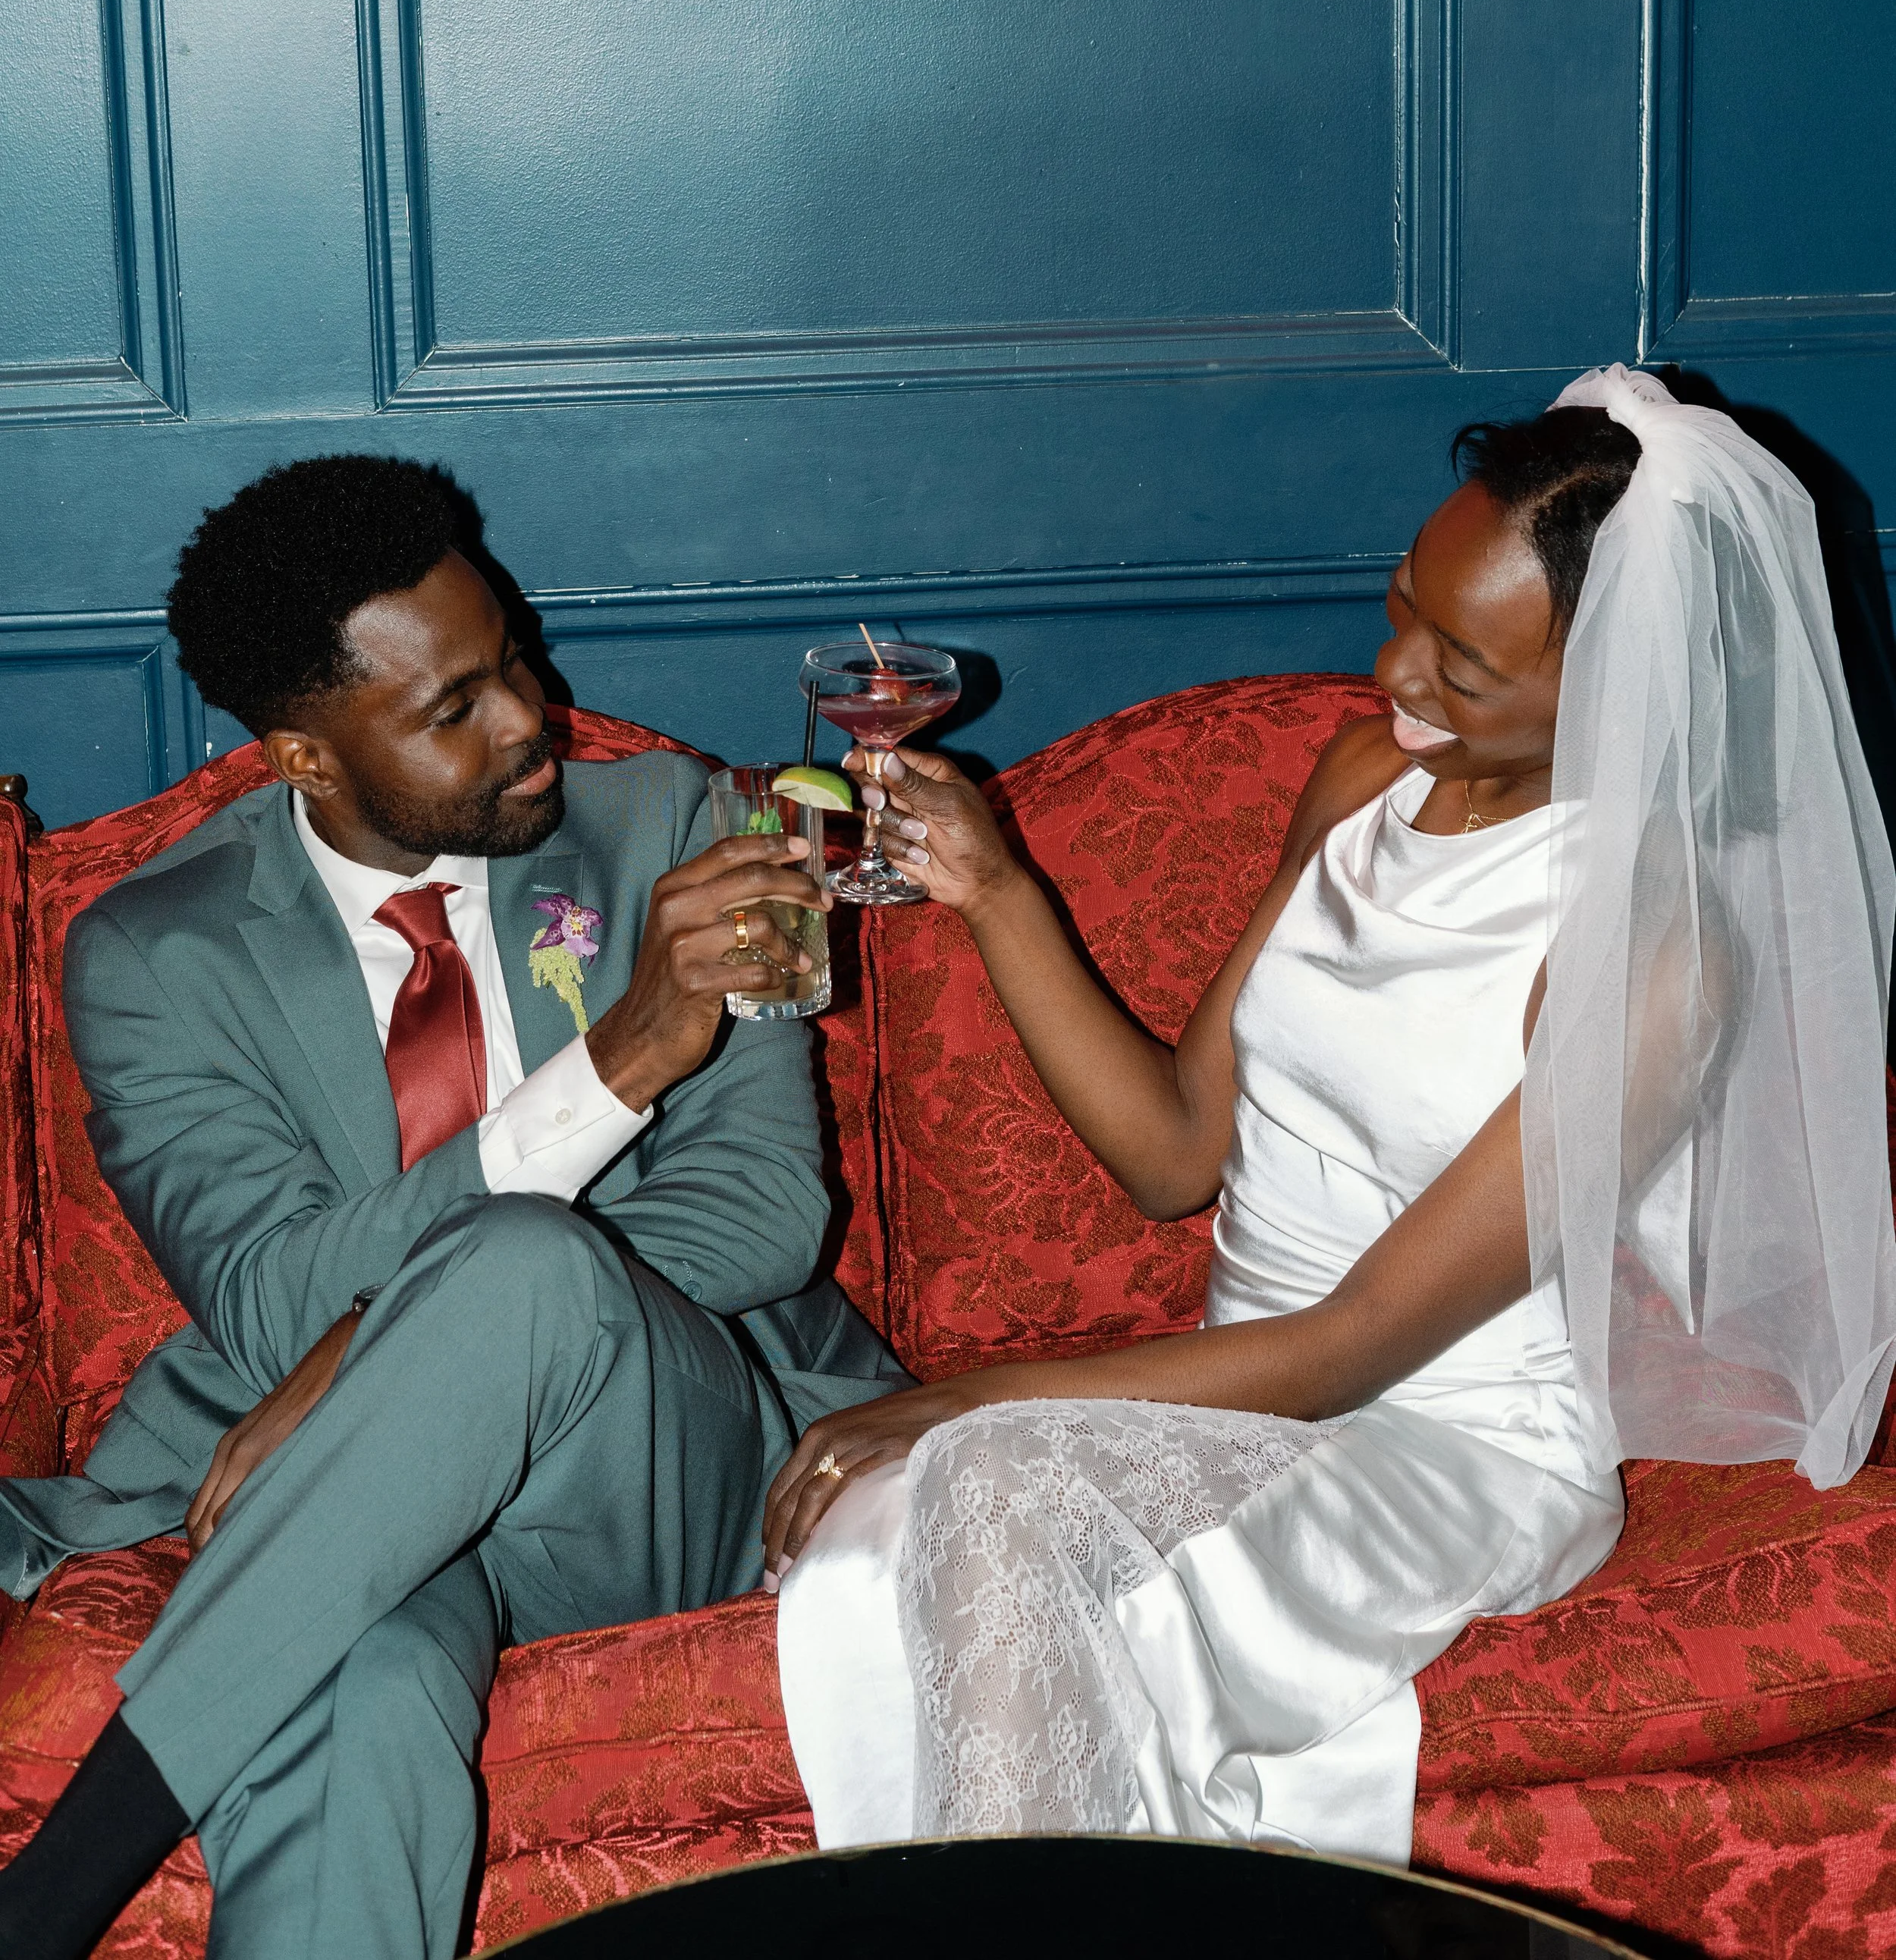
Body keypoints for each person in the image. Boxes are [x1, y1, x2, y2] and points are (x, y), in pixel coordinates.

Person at [767, 366, 1896, 1861]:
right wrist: (991, 889)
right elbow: (1175, 1150)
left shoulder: (1652, 952)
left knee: (990, 1492)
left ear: (1629, 685)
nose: (1396, 673)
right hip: (1240, 1397)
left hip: (1452, 1442)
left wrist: (959, 1398)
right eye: (1404, 607)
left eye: (1464, 666)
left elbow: (1355, 1344)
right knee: (866, 1558)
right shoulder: (1368, 774)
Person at [0, 456, 906, 1960]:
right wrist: (619, 1061)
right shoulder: (156, 953)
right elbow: (270, 1304)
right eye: (454, 708)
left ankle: (47, 1903)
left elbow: (759, 1217)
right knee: (359, 1684)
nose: (530, 718)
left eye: (515, 660)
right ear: (305, 756)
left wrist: (409, 1341)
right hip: (351, 1524)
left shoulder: (679, 830)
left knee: (527, 1264)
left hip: (661, 1466)